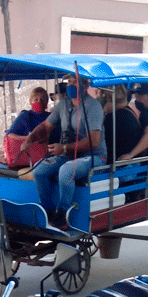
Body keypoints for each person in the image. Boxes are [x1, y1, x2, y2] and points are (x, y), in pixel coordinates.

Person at [22, 75, 106, 229]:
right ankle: (48, 212)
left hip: (93, 156)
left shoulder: (93, 107)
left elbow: (93, 141)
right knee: (39, 170)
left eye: (74, 82)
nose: (70, 85)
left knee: (66, 170)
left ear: (85, 85)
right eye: (69, 82)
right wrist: (30, 139)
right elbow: (45, 126)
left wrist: (65, 148)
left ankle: (62, 216)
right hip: (68, 155)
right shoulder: (64, 104)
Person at [101, 84, 142, 164]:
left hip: (120, 167)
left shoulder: (113, 118)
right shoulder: (130, 112)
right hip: (134, 164)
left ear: (110, 99)